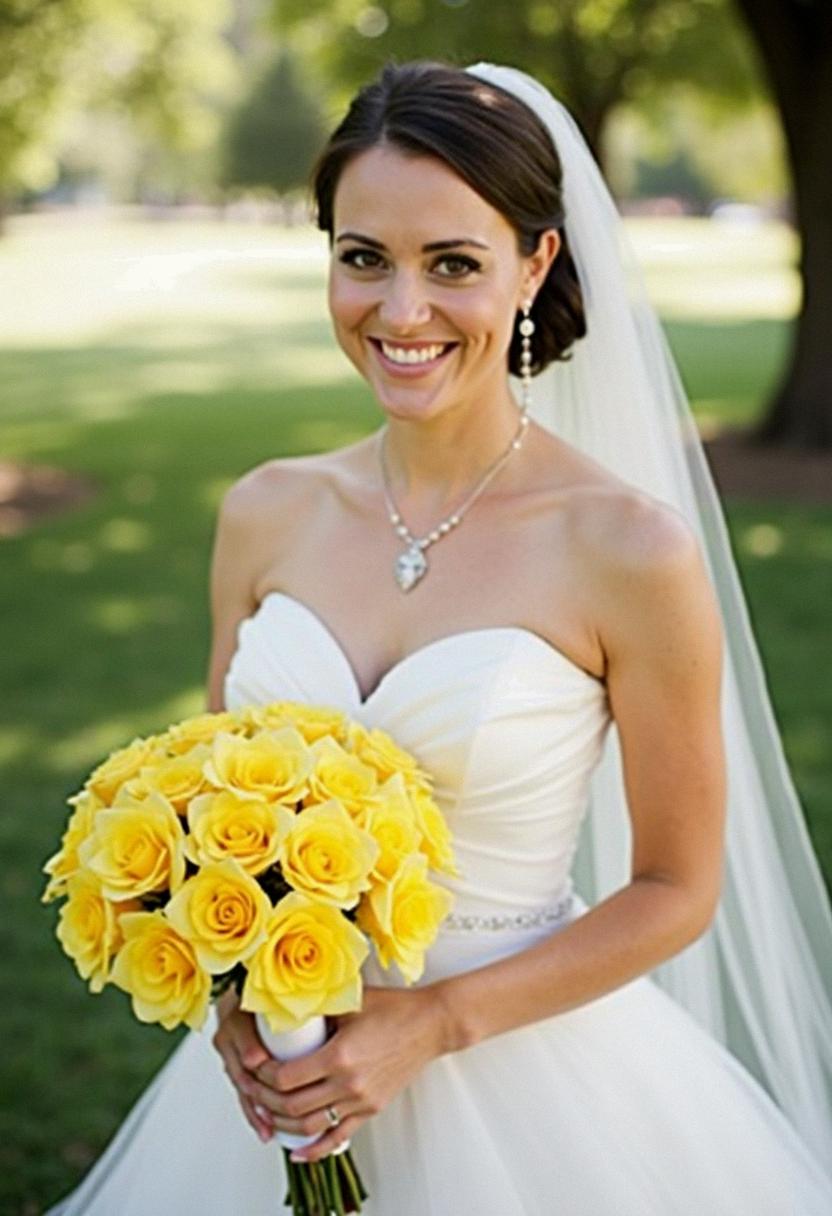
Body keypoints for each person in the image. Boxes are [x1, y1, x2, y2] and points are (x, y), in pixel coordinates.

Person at [45, 60, 832, 1215]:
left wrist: (433, 1023)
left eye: (452, 264)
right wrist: (233, 993)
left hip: (531, 1078)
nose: (398, 312)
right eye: (362, 257)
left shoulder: (627, 548)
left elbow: (675, 886)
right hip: (279, 1075)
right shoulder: (265, 509)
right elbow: (210, 813)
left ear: (535, 265)